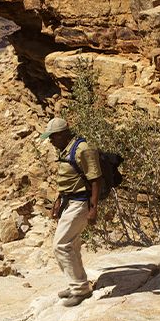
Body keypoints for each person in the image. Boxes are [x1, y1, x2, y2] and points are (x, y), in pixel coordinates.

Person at [40, 116, 101, 307]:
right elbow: (68, 178)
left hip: (81, 203)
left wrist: (93, 209)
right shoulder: (66, 149)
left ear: (63, 134)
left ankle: (80, 289)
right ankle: (77, 284)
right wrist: (58, 201)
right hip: (69, 201)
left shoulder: (83, 149)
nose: (50, 140)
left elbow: (96, 179)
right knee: (72, 244)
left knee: (60, 245)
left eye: (53, 137)